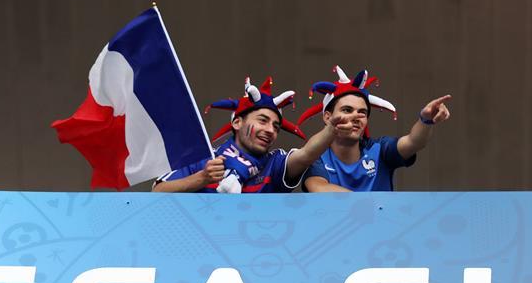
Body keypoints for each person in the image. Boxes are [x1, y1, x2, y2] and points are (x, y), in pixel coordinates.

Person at [154, 76, 352, 193]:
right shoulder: (206, 159)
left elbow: (307, 154)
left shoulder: (275, 163)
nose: (270, 130)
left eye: (276, 126)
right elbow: (157, 190)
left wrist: (331, 130)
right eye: (263, 121)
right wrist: (201, 179)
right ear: (237, 122)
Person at [296, 65, 451, 192]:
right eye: (347, 110)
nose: (356, 116)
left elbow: (414, 142)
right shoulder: (316, 156)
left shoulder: (379, 150)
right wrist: (368, 205)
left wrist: (426, 120)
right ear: (327, 117)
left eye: (362, 112)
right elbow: (319, 188)